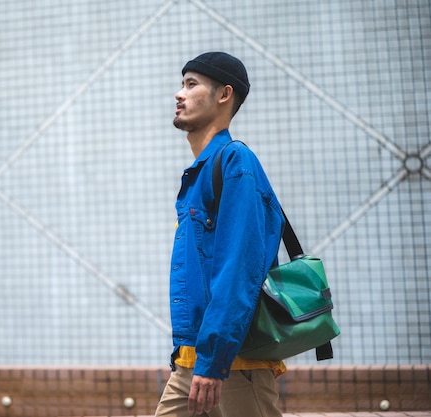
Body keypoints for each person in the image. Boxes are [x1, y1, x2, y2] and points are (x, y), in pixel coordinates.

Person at [155, 52, 286, 417]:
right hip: (193, 361)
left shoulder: (234, 162)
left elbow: (238, 268)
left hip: (234, 364)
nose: (179, 94)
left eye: (191, 84)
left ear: (224, 95)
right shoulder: (199, 173)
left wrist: (213, 361)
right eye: (182, 84)